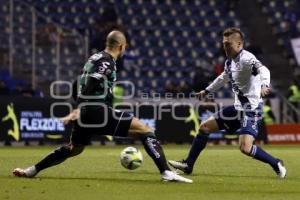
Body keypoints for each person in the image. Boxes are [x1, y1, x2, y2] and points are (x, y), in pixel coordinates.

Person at [13, 30, 192, 183]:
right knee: (145, 130)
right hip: (97, 110)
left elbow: (77, 82)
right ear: (121, 46)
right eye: (125, 47)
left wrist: (79, 106)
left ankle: (32, 170)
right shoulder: (107, 61)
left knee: (74, 148)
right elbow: (92, 81)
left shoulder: (94, 57)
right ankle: (166, 172)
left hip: (86, 112)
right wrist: (83, 103)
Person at [168, 27, 287, 178]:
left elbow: (264, 70)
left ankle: (276, 163)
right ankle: (188, 164)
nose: (225, 47)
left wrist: (264, 85)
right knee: (204, 127)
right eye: (224, 44)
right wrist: (207, 91)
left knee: (245, 148)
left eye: (228, 44)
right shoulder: (230, 62)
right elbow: (223, 78)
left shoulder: (247, 59)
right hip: (238, 109)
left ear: (239, 44)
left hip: (251, 109)